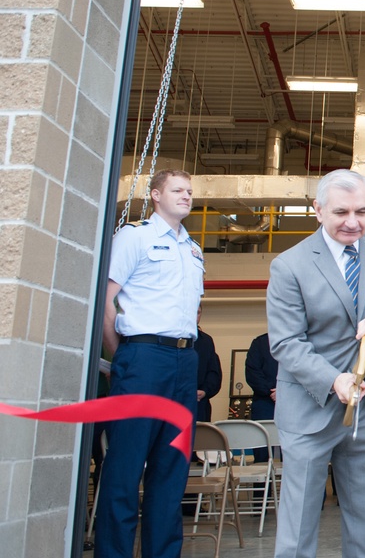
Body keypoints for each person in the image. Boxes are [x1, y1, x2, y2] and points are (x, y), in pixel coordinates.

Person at [266, 168, 365, 558]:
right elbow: (286, 342)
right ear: (317, 210)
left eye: (362, 212)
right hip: (310, 409)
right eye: (341, 213)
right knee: (298, 526)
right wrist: (334, 380)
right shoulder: (289, 266)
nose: (353, 223)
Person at [95, 168, 203, 558]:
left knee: (171, 471)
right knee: (125, 469)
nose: (187, 196)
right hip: (142, 357)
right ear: (155, 195)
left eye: (190, 191)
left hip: (183, 360)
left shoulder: (193, 249)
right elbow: (107, 302)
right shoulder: (134, 237)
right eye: (178, 190)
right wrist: (123, 354)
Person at [245, 331, 278, 463]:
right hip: (264, 402)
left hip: (294, 403)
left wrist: (285, 391)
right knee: (262, 451)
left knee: (293, 453)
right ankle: (262, 484)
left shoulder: (300, 342)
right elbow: (252, 372)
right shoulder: (260, 343)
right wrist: (271, 391)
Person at [194, 304, 223, 422]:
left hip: (199, 404)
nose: (195, 316)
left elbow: (214, 372)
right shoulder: (168, 340)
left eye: (198, 313)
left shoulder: (206, 341)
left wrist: (205, 391)